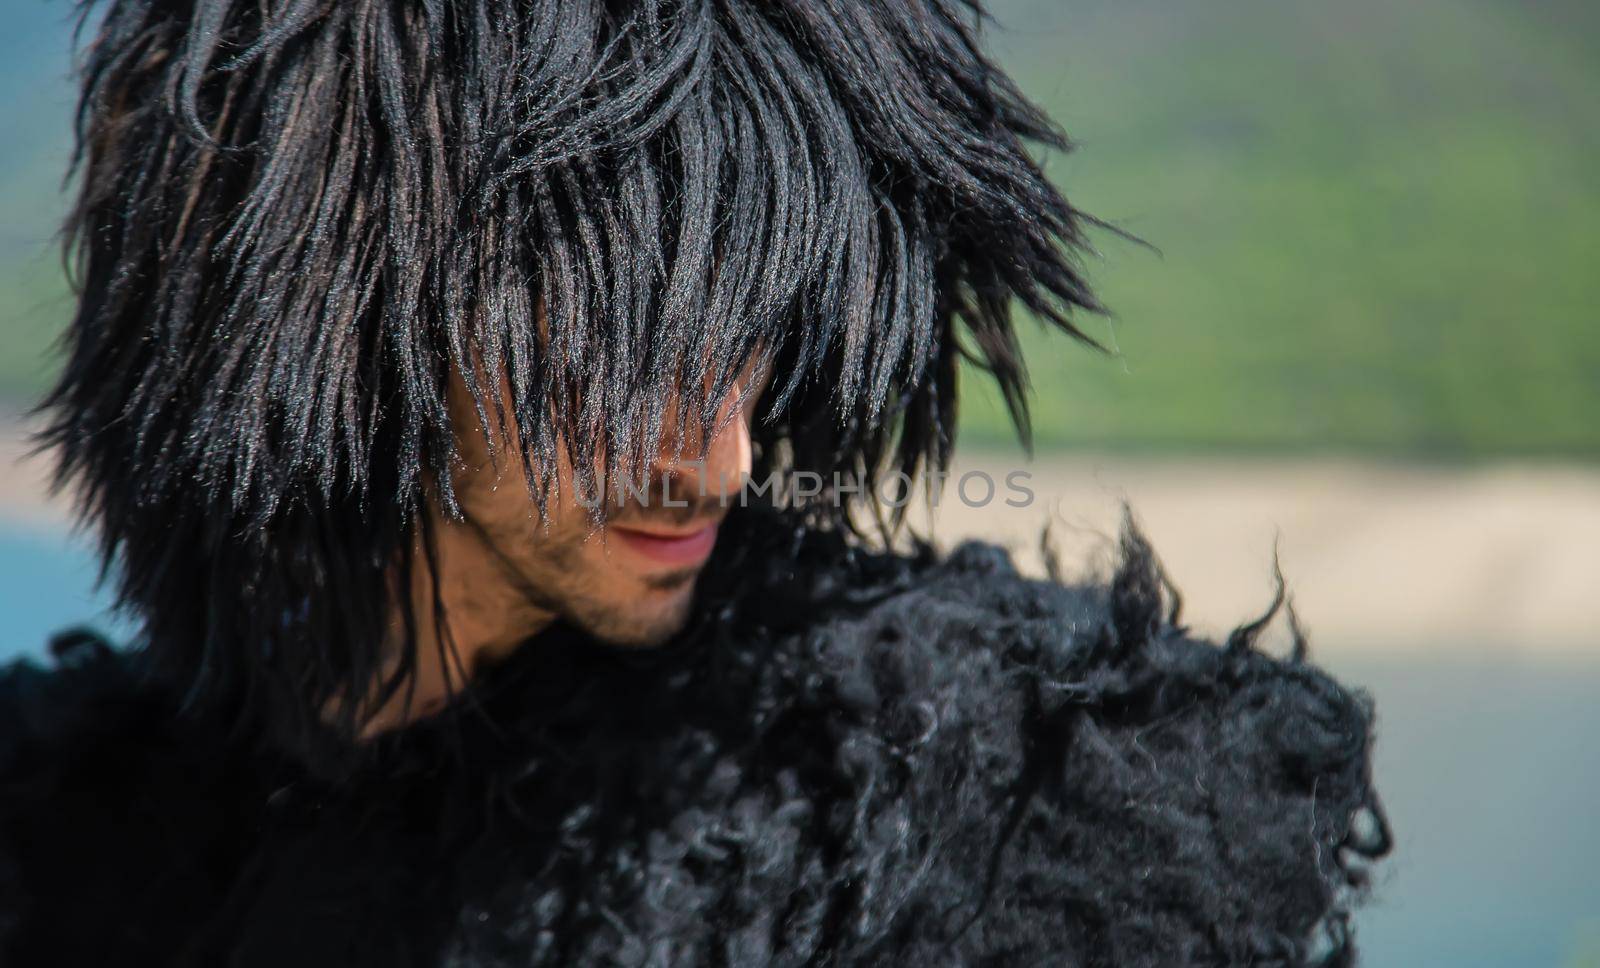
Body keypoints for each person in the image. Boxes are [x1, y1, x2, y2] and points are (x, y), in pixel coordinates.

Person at [0, 0, 1389, 964]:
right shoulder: (68, 836)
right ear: (337, 315)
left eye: (746, 338)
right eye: (616, 341)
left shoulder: (1017, 815)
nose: (718, 455)